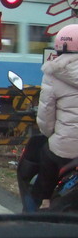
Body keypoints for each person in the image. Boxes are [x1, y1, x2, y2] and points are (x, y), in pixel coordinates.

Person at [33, 24, 78, 209]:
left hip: (65, 148)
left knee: (46, 154)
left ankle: (44, 202)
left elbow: (46, 115)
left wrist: (49, 134)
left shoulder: (52, 73)